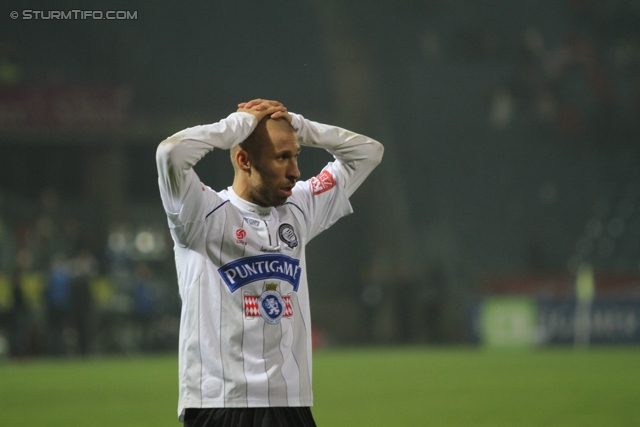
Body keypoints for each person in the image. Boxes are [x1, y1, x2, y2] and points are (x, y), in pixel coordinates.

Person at [156, 98, 383, 426]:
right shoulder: (200, 215)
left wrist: (298, 125)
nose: (295, 172)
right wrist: (237, 125)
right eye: (282, 158)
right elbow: (170, 153)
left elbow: (369, 152)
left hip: (290, 404)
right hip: (221, 404)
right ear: (244, 160)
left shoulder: (300, 208)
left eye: (296, 156)